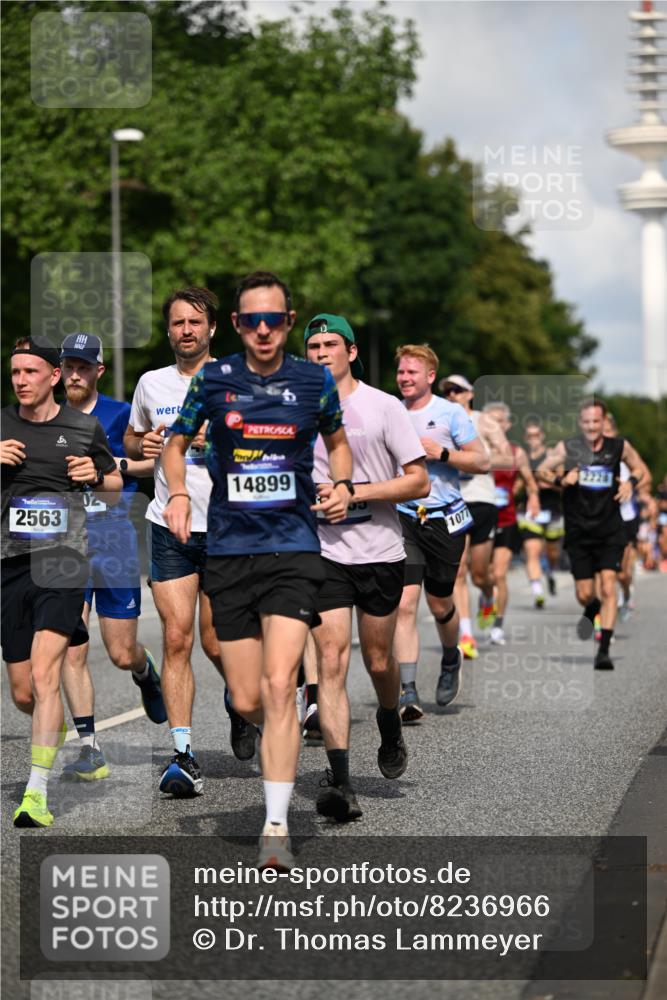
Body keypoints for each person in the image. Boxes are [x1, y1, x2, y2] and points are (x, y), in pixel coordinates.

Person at [161, 271, 353, 868]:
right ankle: (280, 724)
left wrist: (342, 481)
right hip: (230, 550)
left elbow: (338, 441)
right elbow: (174, 442)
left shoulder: (314, 380)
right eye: (252, 320)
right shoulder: (215, 381)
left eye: (274, 320)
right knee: (248, 696)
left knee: (277, 685)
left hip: (293, 549)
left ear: (289, 323)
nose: (264, 330)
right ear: (239, 325)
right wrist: (177, 492)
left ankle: (275, 826)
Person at [124, 286, 255, 798]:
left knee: (217, 641)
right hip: (169, 525)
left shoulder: (235, 378)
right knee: (176, 639)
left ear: (212, 328)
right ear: (169, 329)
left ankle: (239, 700)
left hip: (225, 526)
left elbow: (263, 441)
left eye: (195, 323)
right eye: (178, 323)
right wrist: (147, 443)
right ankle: (183, 755)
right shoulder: (151, 383)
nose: (186, 331)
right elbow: (134, 439)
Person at [305, 313, 429, 821]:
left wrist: (354, 492)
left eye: (331, 344)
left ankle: (388, 719)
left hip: (379, 551)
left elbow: (418, 482)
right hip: (323, 553)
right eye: (312, 346)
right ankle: (341, 780)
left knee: (378, 662)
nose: (320, 353)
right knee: (331, 661)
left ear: (351, 352)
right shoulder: (294, 412)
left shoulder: (383, 407)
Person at [2, 337, 122, 827]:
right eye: (14, 373)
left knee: (49, 676)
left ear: (53, 376)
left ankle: (36, 794)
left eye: (30, 372)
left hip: (64, 562)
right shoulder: (1, 425)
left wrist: (94, 473)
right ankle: (56, 735)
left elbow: (114, 490)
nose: (20, 381)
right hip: (9, 565)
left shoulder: (81, 426)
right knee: (25, 690)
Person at [59, 333, 166, 781]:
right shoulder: (45, 417)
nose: (75, 374)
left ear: (98, 370)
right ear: (58, 369)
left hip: (114, 538)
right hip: (64, 542)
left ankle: (145, 673)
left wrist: (111, 468)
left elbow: (149, 463)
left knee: (121, 652)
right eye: (69, 365)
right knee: (70, 645)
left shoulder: (121, 414)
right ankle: (89, 747)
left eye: (84, 366)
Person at [393, 346, 489, 719]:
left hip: (444, 519)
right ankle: (408, 690)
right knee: (404, 604)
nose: (404, 378)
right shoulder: (391, 411)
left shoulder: (450, 414)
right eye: (401, 372)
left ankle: (451, 657)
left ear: (430, 376)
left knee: (440, 603)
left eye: (412, 372)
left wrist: (443, 454)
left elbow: (482, 461)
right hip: (403, 517)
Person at [537, 397, 648, 670]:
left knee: (609, 586)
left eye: (596, 421)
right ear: (580, 422)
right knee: (585, 593)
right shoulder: (569, 447)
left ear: (604, 421)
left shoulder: (618, 447)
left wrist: (631, 484)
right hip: (579, 530)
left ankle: (604, 651)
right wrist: (562, 480)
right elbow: (541, 470)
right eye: (586, 422)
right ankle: (590, 607)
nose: (591, 426)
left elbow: (641, 470)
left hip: (610, 529)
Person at [440, 374, 511, 659]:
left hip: (482, 499)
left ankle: (488, 594)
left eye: (457, 390)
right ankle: (466, 635)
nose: (452, 395)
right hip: (453, 501)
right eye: (447, 392)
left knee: (482, 573)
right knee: (459, 571)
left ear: (470, 394)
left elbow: (509, 458)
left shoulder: (484, 421)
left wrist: (475, 460)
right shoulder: (440, 422)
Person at [482, 402, 540, 646]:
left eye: (499, 421)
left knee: (499, 573)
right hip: (481, 519)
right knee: (481, 574)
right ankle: (486, 599)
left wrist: (534, 497)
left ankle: (497, 625)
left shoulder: (517, 453)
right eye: (489, 421)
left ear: (507, 424)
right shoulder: (476, 451)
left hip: (506, 518)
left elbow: (529, 480)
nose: (494, 425)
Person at [518, 421, 565, 608]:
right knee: (532, 551)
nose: (533, 439)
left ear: (542, 436)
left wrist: (549, 483)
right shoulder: (522, 458)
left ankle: (551, 572)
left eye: (536, 435)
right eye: (529, 436)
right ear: (525, 438)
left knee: (553, 553)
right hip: (530, 510)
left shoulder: (553, 456)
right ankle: (537, 591)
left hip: (553, 509)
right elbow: (519, 485)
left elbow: (563, 483)